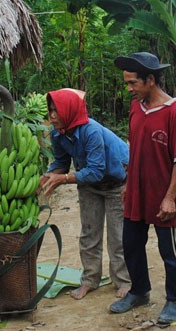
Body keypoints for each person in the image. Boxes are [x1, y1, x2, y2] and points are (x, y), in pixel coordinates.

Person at [110, 52, 176, 324]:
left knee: (169, 250)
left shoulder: (175, 111)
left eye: (133, 83)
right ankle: (139, 291)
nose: (129, 89)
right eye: (127, 84)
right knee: (131, 244)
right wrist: (128, 182)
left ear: (151, 79)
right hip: (135, 190)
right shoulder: (137, 107)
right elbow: (135, 147)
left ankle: (175, 298)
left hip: (163, 194)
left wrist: (170, 197)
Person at [38, 88, 131, 301]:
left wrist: (63, 179)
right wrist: (49, 176)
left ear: (69, 111)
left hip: (116, 183)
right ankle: (90, 280)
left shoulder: (90, 132)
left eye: (56, 111)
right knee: (89, 234)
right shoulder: (57, 134)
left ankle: (124, 281)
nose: (51, 116)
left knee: (118, 237)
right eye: (50, 111)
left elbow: (97, 169)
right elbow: (61, 163)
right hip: (89, 185)